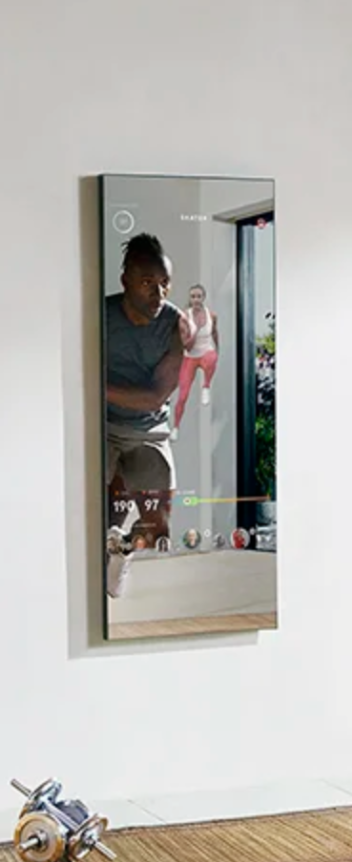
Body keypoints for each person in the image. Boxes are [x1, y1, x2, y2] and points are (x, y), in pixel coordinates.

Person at [104, 233, 195, 599]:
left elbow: (155, 395)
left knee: (158, 532)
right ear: (125, 279)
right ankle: (111, 545)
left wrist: (97, 387)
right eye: (147, 283)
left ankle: (122, 549)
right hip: (101, 428)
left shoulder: (175, 325)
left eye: (164, 284)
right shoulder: (100, 313)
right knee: (99, 521)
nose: (158, 294)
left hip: (149, 431)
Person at [172, 284, 220, 440]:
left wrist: (217, 348)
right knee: (182, 396)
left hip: (205, 353)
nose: (196, 300)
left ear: (203, 298)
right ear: (190, 299)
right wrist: (195, 332)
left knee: (211, 357)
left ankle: (206, 386)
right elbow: (186, 344)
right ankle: (176, 426)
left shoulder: (212, 316)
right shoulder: (185, 318)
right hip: (190, 357)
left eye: (199, 296)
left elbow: (214, 332)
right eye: (193, 297)